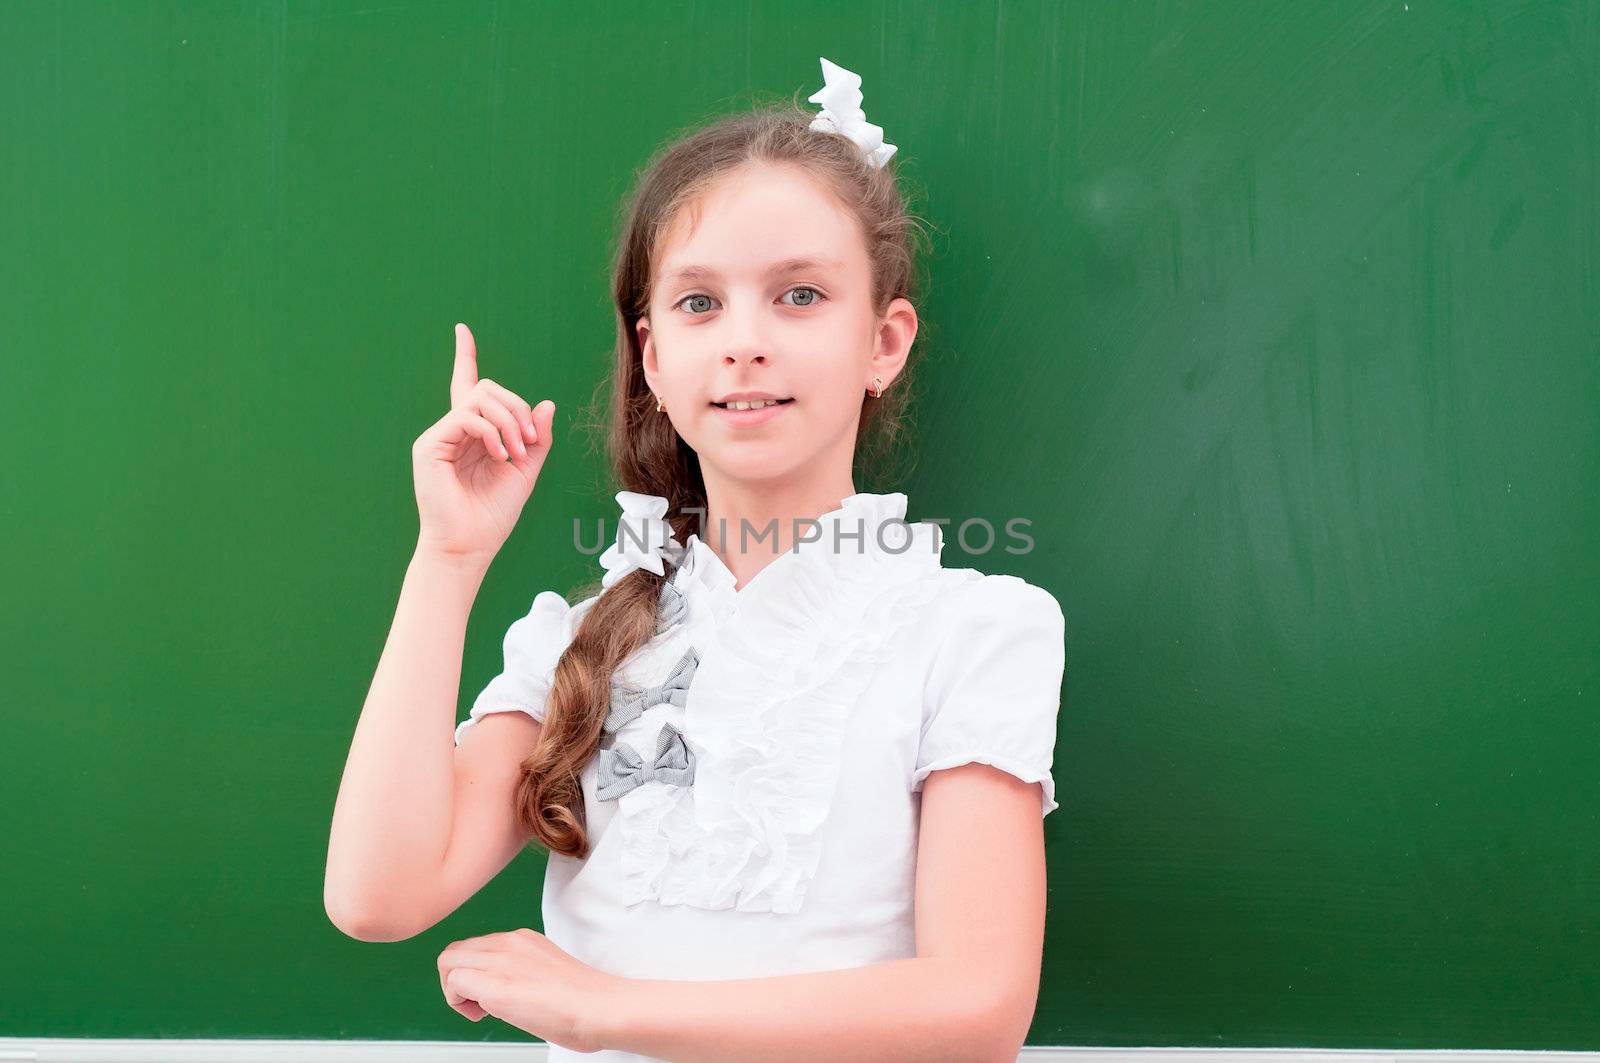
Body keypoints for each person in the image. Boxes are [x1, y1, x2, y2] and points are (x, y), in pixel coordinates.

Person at [325, 56, 1066, 1062]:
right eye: (699, 303)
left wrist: (605, 1011)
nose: (744, 342)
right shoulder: (578, 637)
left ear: (883, 344)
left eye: (799, 295)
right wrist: (447, 564)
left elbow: (976, 1008)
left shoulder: (975, 630)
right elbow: (379, 895)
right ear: (652, 359)